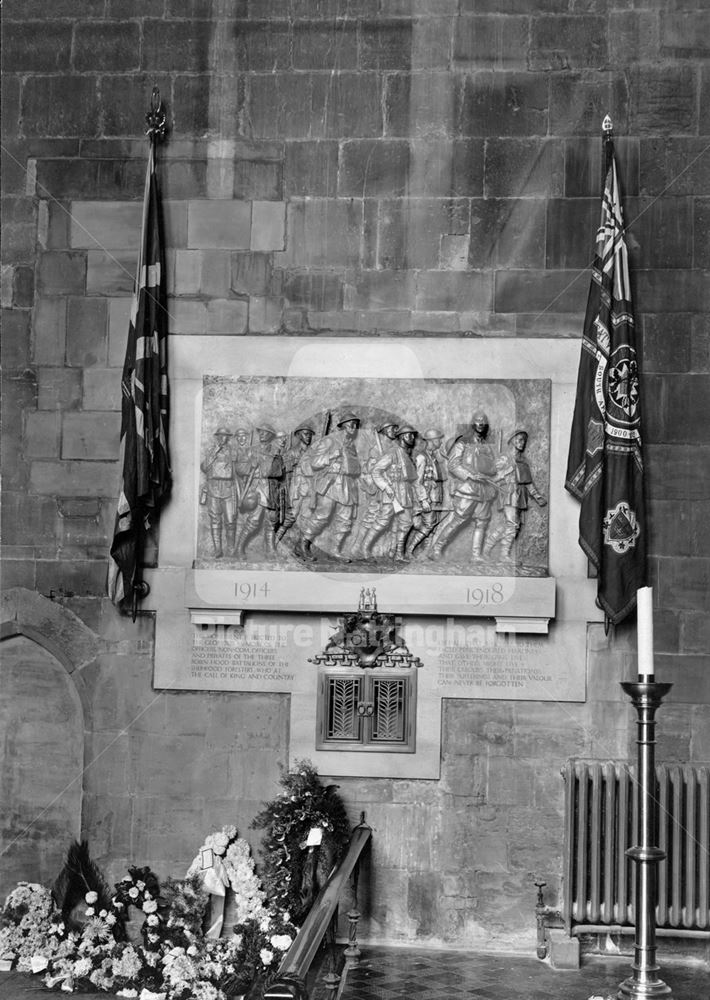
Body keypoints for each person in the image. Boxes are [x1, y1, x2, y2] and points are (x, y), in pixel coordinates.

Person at [428, 410, 506, 560]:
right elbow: (453, 465)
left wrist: (497, 470)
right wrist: (470, 475)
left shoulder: (487, 447)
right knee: (459, 519)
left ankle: (476, 556)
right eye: (478, 420)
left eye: (483, 421)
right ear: (472, 423)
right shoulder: (463, 442)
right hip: (468, 489)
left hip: (484, 489)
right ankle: (435, 549)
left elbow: (490, 467)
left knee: (482, 522)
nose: (481, 423)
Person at [299, 412, 361, 560]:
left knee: (345, 519)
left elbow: (355, 466)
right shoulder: (330, 442)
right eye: (351, 425)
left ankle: (335, 550)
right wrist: (331, 456)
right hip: (331, 485)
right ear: (343, 427)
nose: (354, 428)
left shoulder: (351, 445)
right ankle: (303, 544)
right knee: (322, 516)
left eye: (355, 425)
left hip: (348, 485)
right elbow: (315, 463)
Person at [484, 429, 546, 559]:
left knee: (513, 526)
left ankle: (487, 547)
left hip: (520, 495)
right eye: (519, 440)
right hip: (508, 494)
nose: (522, 443)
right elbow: (491, 477)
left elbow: (528, 482)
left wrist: (537, 497)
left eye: (524, 440)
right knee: (512, 525)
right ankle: (503, 555)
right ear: (512, 441)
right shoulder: (504, 458)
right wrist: (506, 471)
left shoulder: (522, 461)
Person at [366, 424, 419, 562]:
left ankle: (398, 553)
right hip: (392, 492)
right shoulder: (393, 453)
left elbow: (412, 478)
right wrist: (385, 486)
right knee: (382, 522)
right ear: (401, 437)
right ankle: (364, 548)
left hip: (405, 492)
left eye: (413, 435)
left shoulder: (407, 455)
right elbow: (376, 471)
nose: (412, 437)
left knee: (406, 523)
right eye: (409, 435)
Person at [349, 419, 399, 560]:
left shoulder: (390, 446)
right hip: (377, 488)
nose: (394, 430)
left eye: (395, 427)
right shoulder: (376, 447)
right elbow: (369, 468)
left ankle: (364, 548)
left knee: (383, 518)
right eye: (391, 427)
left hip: (388, 487)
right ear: (384, 431)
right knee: (372, 517)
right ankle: (357, 548)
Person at [233, 424, 282, 558]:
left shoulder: (275, 452)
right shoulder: (251, 451)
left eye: (265, 433)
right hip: (257, 489)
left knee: (272, 520)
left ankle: (270, 549)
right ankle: (239, 548)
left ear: (270, 435)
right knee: (254, 521)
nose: (262, 434)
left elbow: (279, 472)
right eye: (260, 432)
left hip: (271, 489)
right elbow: (239, 469)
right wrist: (250, 465)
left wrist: (268, 467)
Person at [407, 427, 448, 556]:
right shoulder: (422, 457)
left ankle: (425, 552)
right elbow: (417, 481)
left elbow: (441, 476)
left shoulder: (433, 457)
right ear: (431, 440)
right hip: (427, 496)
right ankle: (409, 549)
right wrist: (423, 499)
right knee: (428, 525)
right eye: (438, 440)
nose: (441, 442)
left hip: (435, 495)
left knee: (432, 525)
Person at [275, 423, 315, 552]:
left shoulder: (314, 452)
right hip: (296, 491)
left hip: (310, 490)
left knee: (310, 519)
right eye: (305, 434)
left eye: (310, 434)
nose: (308, 437)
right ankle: (274, 542)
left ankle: (303, 547)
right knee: (290, 518)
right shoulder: (291, 453)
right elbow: (286, 474)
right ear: (298, 435)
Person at [200, 427, 237, 558]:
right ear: (217, 437)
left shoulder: (232, 451)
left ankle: (231, 549)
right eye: (221, 435)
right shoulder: (211, 450)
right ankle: (218, 549)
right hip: (213, 488)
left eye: (226, 436)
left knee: (230, 520)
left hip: (228, 488)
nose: (223, 438)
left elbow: (237, 470)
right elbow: (204, 467)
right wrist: (214, 453)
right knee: (215, 519)